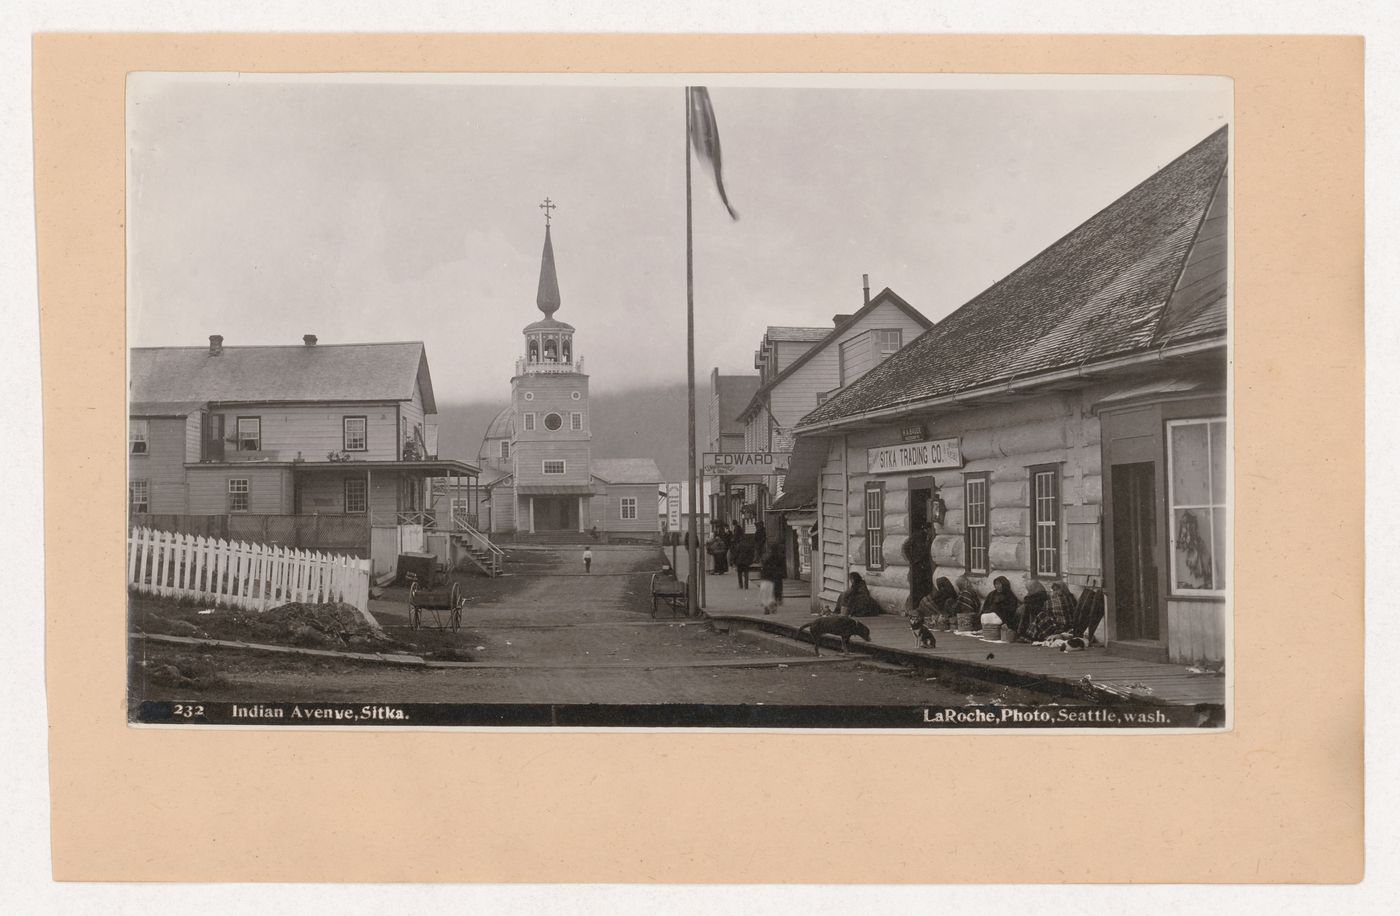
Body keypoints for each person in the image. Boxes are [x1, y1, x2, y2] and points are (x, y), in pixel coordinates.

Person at [901, 521, 935, 609]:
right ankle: (916, 608)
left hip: (925, 566)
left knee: (926, 586)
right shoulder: (918, 535)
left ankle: (922, 608)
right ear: (927, 529)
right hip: (918, 565)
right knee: (918, 588)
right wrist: (912, 559)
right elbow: (906, 546)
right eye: (930, 529)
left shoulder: (927, 537)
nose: (931, 531)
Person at [758, 533, 788, 612]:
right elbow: (783, 567)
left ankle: (767, 607)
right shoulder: (780, 557)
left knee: (767, 592)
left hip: (768, 577)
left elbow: (763, 567)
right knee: (776, 591)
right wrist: (783, 574)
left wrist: (762, 576)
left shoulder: (767, 557)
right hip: (776, 577)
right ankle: (774, 605)